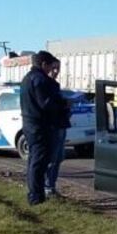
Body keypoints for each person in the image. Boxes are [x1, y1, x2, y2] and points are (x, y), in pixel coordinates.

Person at [19, 51, 61, 205]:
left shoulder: (27, 78)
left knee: (34, 160)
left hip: (30, 124)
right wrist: (63, 105)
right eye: (50, 66)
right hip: (39, 125)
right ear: (44, 64)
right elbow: (46, 103)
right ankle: (36, 196)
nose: (51, 69)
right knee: (38, 161)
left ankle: (35, 193)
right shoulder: (39, 79)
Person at [44, 60, 72, 198]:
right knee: (52, 158)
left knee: (59, 157)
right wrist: (64, 104)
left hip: (60, 125)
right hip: (52, 126)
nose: (56, 71)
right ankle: (47, 186)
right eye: (53, 68)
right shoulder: (44, 84)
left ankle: (51, 185)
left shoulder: (55, 85)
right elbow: (48, 106)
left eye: (58, 69)